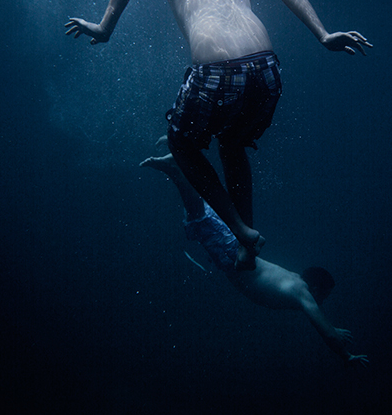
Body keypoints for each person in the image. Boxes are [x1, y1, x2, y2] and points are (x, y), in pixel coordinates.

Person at [65, 0, 372, 270]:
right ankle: (246, 247)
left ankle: (240, 230)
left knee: (180, 143)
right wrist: (323, 34)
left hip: (217, 69)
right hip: (267, 67)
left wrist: (105, 27)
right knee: (232, 144)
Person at [139, 137, 368, 366]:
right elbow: (325, 332)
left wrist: (332, 328)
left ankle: (177, 159)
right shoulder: (302, 292)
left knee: (200, 216)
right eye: (324, 296)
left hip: (235, 257)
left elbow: (326, 326)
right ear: (317, 288)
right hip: (234, 258)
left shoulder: (294, 281)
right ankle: (177, 160)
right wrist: (346, 355)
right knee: (198, 219)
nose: (321, 302)